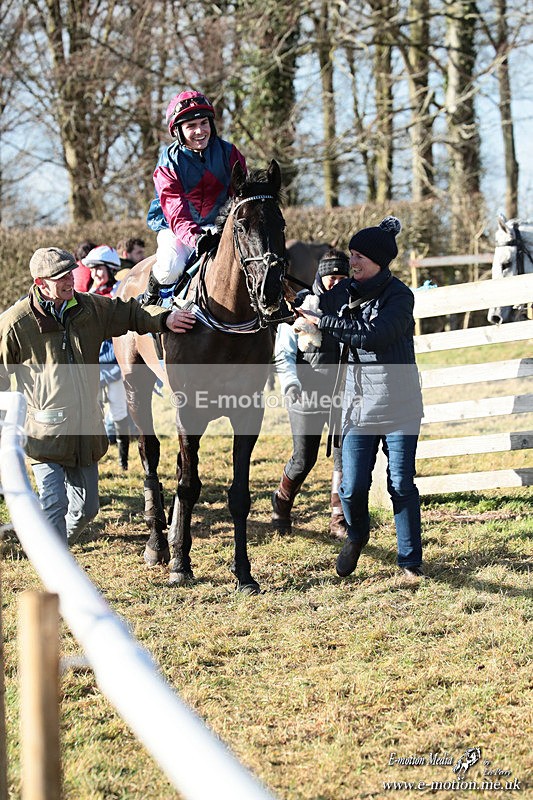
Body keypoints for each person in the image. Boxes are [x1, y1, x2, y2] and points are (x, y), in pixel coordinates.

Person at [0, 246, 196, 545]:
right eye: (60, 277)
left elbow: (131, 312)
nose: (71, 281)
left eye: (70, 273)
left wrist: (164, 319)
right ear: (41, 283)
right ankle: (55, 569)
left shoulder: (90, 308)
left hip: (87, 432)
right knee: (55, 505)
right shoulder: (16, 323)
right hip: (45, 435)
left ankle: (50, 547)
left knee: (86, 509)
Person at [297, 217, 425, 580]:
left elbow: (375, 335)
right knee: (351, 487)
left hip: (400, 406)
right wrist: (304, 304)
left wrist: (326, 323)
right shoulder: (344, 291)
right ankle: (357, 535)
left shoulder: (400, 296)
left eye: (359, 257)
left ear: (379, 262)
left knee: (400, 483)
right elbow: (317, 299)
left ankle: (410, 562)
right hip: (356, 406)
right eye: (351, 255)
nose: (351, 263)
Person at [271, 249, 350, 538]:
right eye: (332, 276)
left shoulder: (352, 305)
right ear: (321, 275)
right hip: (306, 392)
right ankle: (280, 504)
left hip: (342, 391)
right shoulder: (302, 305)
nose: (336, 282)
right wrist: (291, 384)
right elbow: (284, 352)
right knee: (304, 458)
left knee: (344, 456)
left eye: (342, 277)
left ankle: (338, 518)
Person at [143, 89, 247, 306]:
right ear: (178, 131)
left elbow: (241, 195)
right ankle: (149, 299)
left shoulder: (229, 153)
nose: (200, 131)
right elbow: (176, 212)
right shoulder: (168, 164)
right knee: (171, 268)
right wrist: (196, 238)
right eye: (191, 126)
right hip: (176, 229)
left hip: (219, 225)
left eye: (204, 123)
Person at [84, 245, 131, 470]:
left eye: (99, 269)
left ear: (111, 269)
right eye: (92, 270)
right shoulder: (86, 293)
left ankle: (123, 460)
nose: (95, 274)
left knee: (119, 408)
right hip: (92, 361)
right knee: (93, 409)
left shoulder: (119, 291)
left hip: (114, 359)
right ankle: (93, 456)